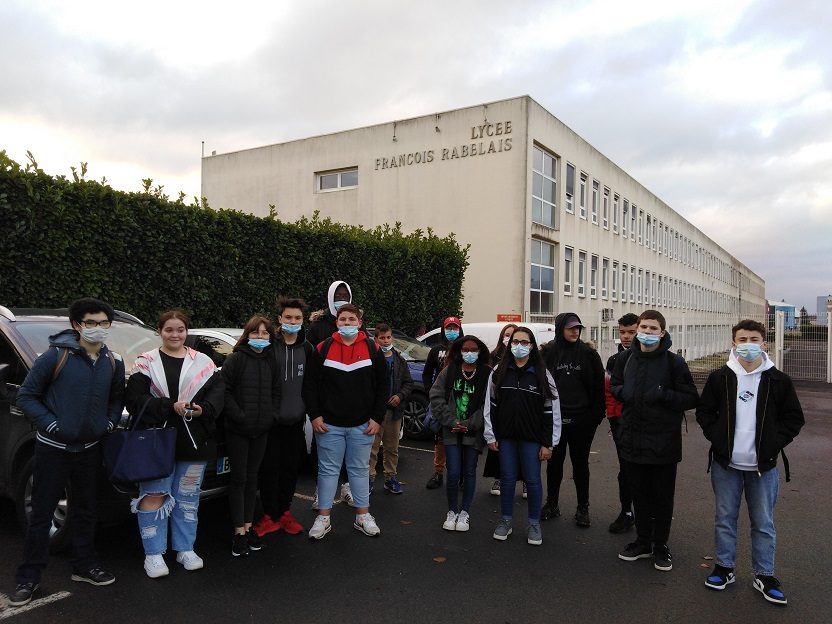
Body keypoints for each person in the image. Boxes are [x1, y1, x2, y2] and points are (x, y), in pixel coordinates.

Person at [8, 298, 124, 607]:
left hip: (89, 449)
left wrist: (109, 422)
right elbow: (27, 397)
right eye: (91, 323)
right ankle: (28, 579)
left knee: (86, 510)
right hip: (53, 449)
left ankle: (84, 565)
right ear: (76, 325)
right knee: (42, 514)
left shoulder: (113, 362)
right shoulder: (54, 357)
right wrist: (52, 425)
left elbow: (116, 399)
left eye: (103, 323)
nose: (98, 329)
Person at [696, 320, 804, 605]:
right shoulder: (720, 377)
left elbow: (794, 419)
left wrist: (771, 444)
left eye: (753, 338)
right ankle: (724, 568)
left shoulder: (778, 380)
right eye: (742, 338)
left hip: (763, 467)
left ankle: (764, 574)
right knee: (724, 520)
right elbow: (705, 413)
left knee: (764, 523)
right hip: (726, 466)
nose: (747, 344)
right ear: (733, 343)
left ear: (764, 343)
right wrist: (719, 439)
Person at [125, 310, 224, 578]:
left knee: (188, 498)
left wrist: (203, 409)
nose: (175, 335)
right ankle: (154, 554)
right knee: (154, 496)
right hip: (156, 442)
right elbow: (134, 400)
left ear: (186, 331)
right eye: (169, 329)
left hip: (194, 442)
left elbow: (218, 395)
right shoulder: (146, 362)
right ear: (159, 331)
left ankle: (185, 548)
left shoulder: (203, 362)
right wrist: (171, 406)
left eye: (180, 329)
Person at [611, 309, 698, 572]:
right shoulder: (625, 359)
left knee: (661, 497)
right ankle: (643, 542)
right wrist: (623, 391)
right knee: (639, 494)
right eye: (644, 327)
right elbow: (614, 386)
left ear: (662, 332)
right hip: (633, 440)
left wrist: (664, 395)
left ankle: (661, 546)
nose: (647, 333)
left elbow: (691, 397)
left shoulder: (675, 363)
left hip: (663, 444)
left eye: (653, 328)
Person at [303, 304, 387, 539]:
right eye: (343, 320)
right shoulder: (323, 347)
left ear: (360, 323)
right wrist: (315, 415)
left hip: (363, 425)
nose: (347, 323)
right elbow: (310, 385)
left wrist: (377, 418)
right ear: (336, 322)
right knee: (327, 471)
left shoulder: (373, 347)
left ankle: (363, 517)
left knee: (359, 471)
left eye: (352, 319)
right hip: (329, 425)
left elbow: (383, 386)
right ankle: (323, 518)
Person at [484, 326, 561, 546]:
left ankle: (534, 524)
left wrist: (549, 443)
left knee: (533, 481)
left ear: (532, 345)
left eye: (524, 342)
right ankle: (506, 521)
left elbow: (552, 411)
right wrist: (491, 435)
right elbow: (490, 406)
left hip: (532, 439)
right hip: (506, 437)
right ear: (509, 345)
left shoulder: (542, 374)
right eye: (515, 342)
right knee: (507, 479)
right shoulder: (498, 372)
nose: (519, 346)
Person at [253, 297, 313, 538]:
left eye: (297, 318)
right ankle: (269, 516)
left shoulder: (307, 348)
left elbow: (312, 385)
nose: (293, 321)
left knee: (290, 470)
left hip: (296, 421)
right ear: (280, 319)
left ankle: (285, 513)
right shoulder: (269, 347)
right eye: (288, 317)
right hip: (271, 423)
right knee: (269, 470)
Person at [221, 315, 280, 557]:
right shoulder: (236, 359)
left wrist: (271, 416)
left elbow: (276, 391)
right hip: (238, 430)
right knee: (239, 479)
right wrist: (240, 416)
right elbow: (223, 390)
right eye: (256, 333)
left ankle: (248, 527)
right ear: (248, 335)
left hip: (261, 429)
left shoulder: (271, 361)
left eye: (265, 333)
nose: (260, 337)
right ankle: (238, 533)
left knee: (252, 479)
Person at [541, 313, 605, 526]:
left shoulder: (589, 355)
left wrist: (594, 418)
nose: (575, 331)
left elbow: (598, 389)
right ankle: (552, 504)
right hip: (556, 421)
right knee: (554, 465)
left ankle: (583, 508)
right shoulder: (549, 352)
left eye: (577, 328)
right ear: (560, 328)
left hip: (582, 421)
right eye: (570, 328)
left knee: (580, 465)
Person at [429, 334, 490, 532]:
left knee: (469, 472)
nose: (469, 353)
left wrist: (470, 424)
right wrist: (451, 421)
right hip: (451, 430)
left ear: (480, 351)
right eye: (465, 349)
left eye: (474, 349)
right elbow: (436, 396)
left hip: (474, 431)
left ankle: (465, 512)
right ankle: (452, 511)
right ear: (459, 351)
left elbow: (490, 404)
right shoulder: (450, 370)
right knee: (453, 472)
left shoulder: (487, 374)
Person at [307, 280, 355, 506]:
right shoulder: (318, 327)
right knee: (322, 448)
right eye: (338, 295)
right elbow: (310, 365)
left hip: (349, 398)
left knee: (349, 448)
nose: (342, 299)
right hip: (326, 398)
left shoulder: (355, 324)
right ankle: (320, 491)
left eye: (345, 295)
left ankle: (346, 486)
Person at [369, 323, 414, 494]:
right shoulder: (371, 358)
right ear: (376, 339)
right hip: (375, 412)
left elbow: (408, 383)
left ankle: (390, 478)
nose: (386, 341)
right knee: (372, 448)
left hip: (394, 412)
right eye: (382, 338)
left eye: (388, 337)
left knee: (392, 447)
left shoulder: (399, 360)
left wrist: (400, 396)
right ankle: (369, 479)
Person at [605, 313, 639, 534]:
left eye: (631, 332)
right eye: (622, 332)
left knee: (646, 472)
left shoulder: (654, 359)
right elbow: (609, 393)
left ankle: (649, 515)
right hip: (621, 424)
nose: (626, 337)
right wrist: (614, 418)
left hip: (647, 426)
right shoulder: (614, 360)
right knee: (625, 469)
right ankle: (626, 512)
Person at [423, 315, 463, 489]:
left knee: (461, 438)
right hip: (441, 402)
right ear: (443, 329)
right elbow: (426, 374)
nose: (451, 331)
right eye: (449, 328)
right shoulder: (435, 350)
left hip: (461, 401)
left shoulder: (465, 349)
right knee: (440, 439)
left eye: (455, 328)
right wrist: (431, 394)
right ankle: (438, 473)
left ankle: (460, 474)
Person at [485, 323, 518, 497]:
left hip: (518, 408)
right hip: (499, 407)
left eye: (512, 335)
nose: (509, 338)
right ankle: (498, 478)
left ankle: (525, 481)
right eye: (506, 335)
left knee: (522, 448)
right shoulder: (494, 355)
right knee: (498, 447)